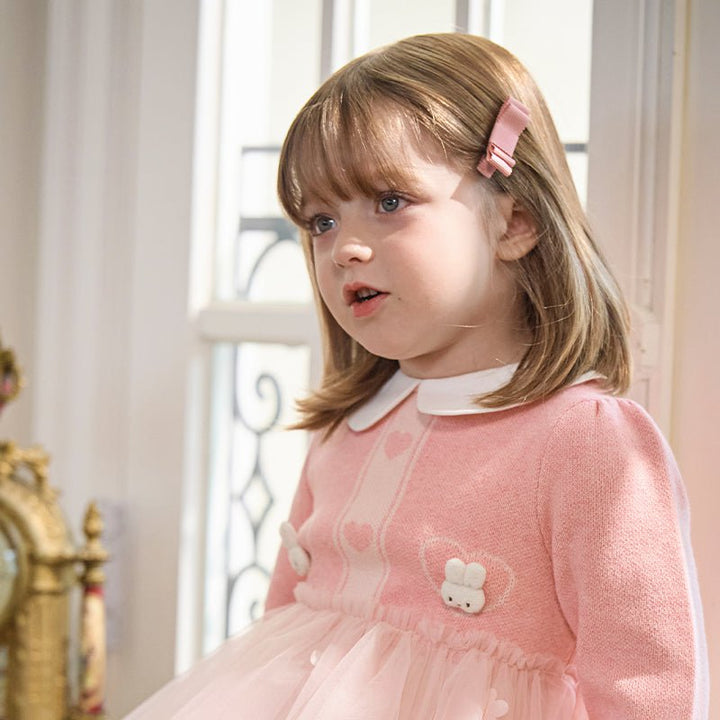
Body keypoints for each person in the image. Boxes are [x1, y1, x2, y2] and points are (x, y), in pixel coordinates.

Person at [126, 33, 708, 719]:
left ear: (515, 222)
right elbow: (282, 624)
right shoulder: (349, 427)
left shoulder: (584, 442)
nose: (344, 248)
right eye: (321, 220)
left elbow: (647, 682)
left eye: (390, 201)